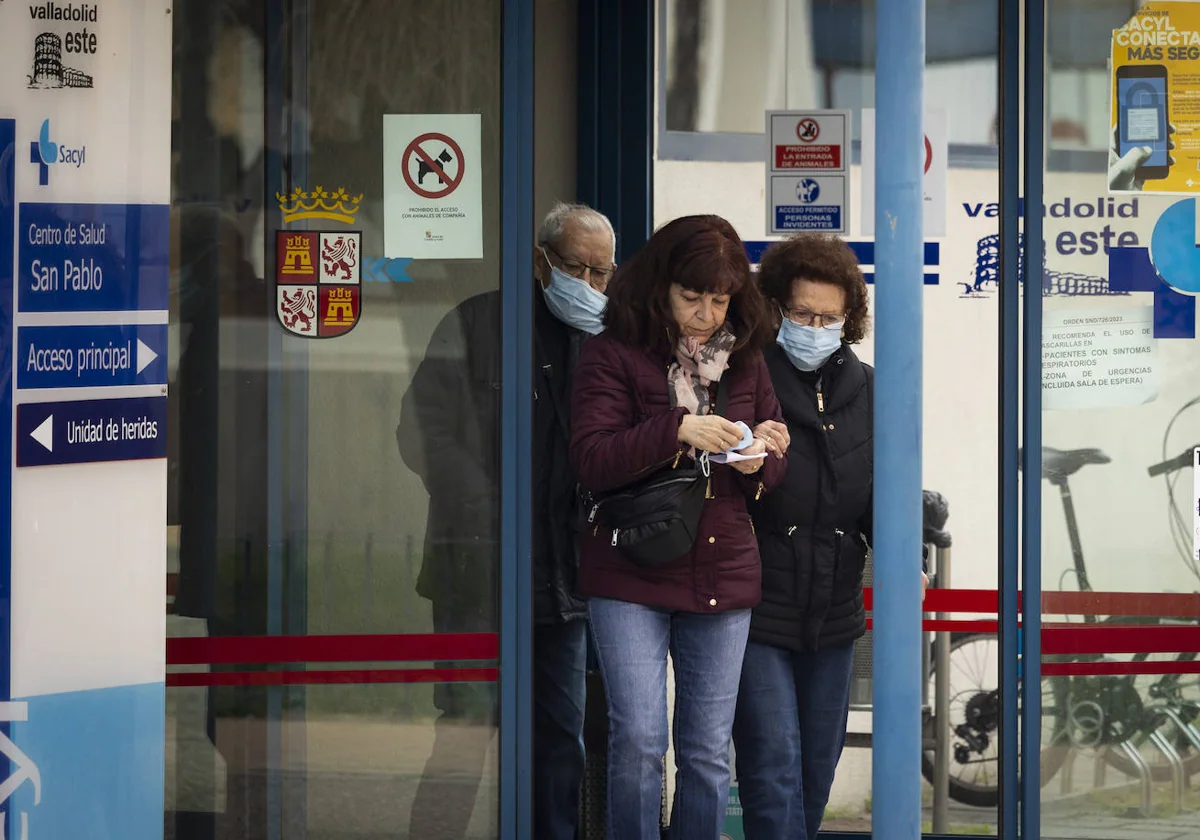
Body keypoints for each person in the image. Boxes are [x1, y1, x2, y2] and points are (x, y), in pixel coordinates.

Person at [398, 201, 616, 839]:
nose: (592, 286)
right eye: (580, 268)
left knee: (559, 741)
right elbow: (422, 430)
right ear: (543, 260)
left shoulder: (605, 342)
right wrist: (489, 508)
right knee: (464, 733)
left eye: (604, 273)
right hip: (476, 567)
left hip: (565, 581)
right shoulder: (478, 322)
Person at [569, 214, 787, 840]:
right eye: (692, 297)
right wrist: (676, 429)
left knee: (707, 749)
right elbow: (591, 459)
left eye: (720, 299)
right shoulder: (612, 352)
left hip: (721, 570)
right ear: (660, 287)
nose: (706, 314)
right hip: (631, 567)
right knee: (639, 739)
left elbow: (771, 462)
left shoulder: (746, 358)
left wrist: (759, 456)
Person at [731, 233, 926, 840]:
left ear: (849, 320)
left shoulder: (870, 388)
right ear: (774, 309)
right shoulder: (746, 375)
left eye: (828, 318)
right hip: (757, 606)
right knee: (773, 768)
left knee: (817, 767)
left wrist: (905, 554)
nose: (814, 327)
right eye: (800, 314)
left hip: (835, 612)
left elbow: (885, 490)